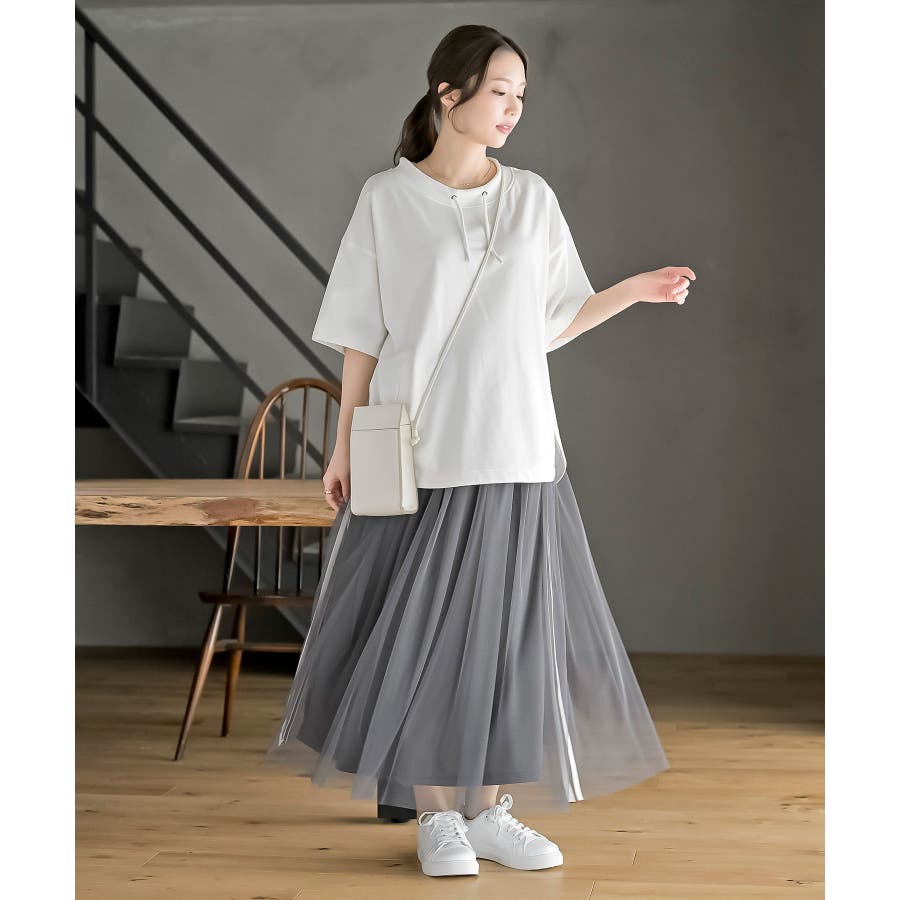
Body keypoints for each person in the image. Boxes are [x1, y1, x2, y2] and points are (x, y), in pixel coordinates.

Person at [264, 23, 694, 878]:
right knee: (427, 642)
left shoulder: (531, 199)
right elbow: (360, 335)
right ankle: (438, 817)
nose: (513, 109)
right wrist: (341, 445)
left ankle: (491, 811)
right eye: (499, 91)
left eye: (521, 95)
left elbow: (553, 320)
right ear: (448, 93)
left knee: (506, 646)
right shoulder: (386, 200)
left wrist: (634, 291)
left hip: (518, 447)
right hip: (424, 455)